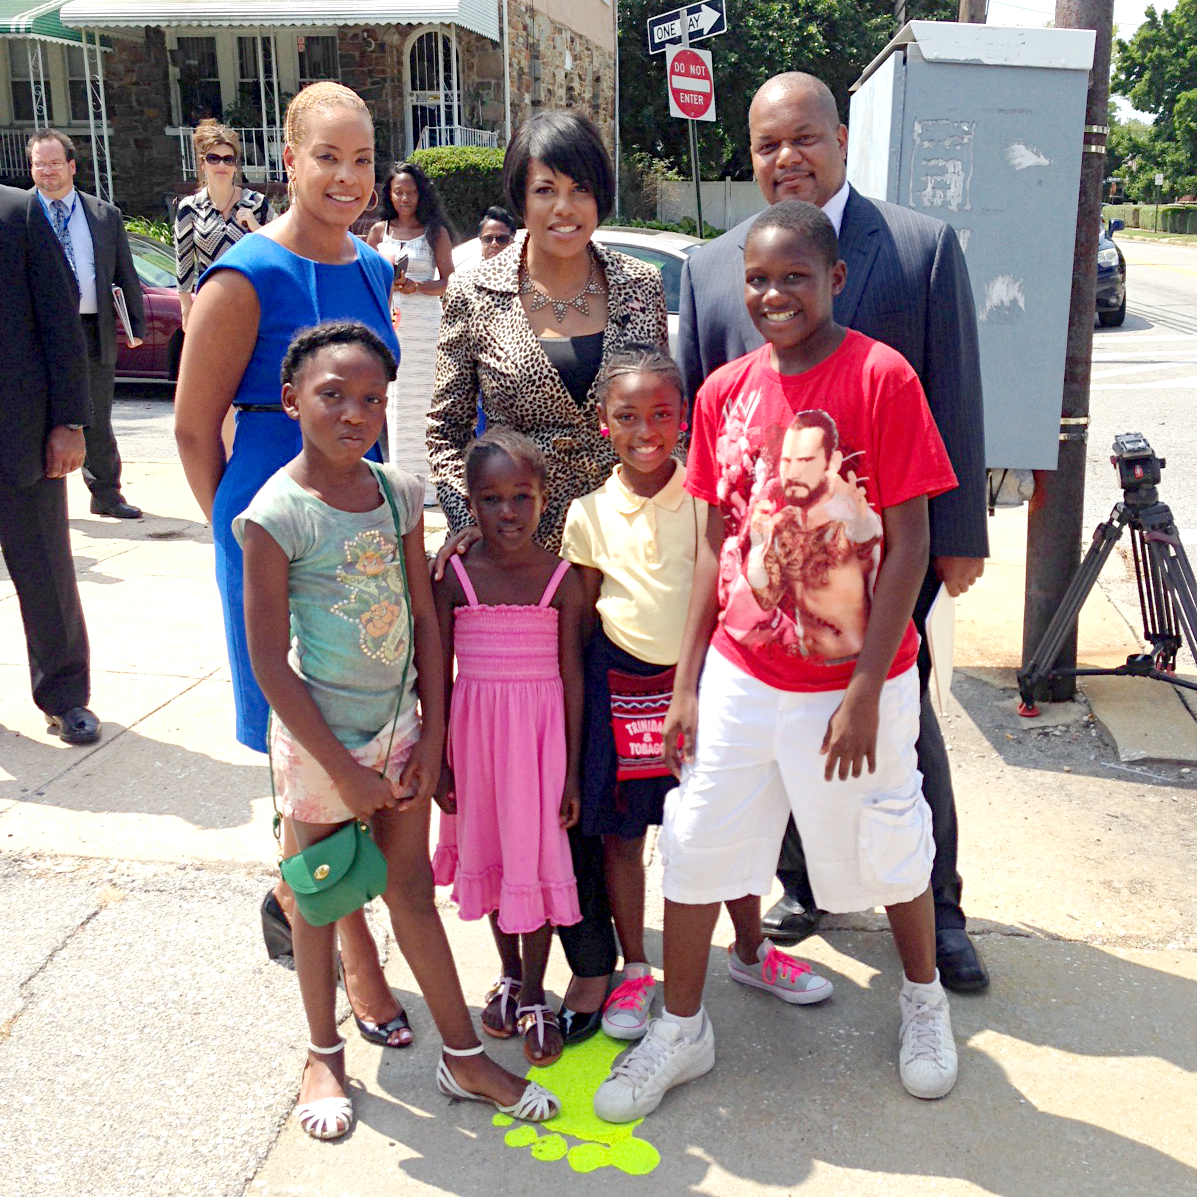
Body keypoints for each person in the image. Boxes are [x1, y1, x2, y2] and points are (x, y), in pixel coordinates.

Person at [595, 201, 960, 1123]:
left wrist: (870, 686)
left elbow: (910, 541)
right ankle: (682, 1028)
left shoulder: (882, 377)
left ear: (834, 279)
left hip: (853, 683)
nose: (772, 294)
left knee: (889, 841)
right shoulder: (723, 392)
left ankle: (922, 1000)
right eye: (757, 278)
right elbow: (714, 545)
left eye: (794, 276)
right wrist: (685, 684)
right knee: (697, 842)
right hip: (740, 676)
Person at [677, 71, 990, 994]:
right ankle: (804, 881)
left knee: (897, 724)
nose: (787, 158)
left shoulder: (918, 248)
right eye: (768, 144)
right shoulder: (713, 268)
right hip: (767, 572)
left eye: (803, 138)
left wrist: (960, 531)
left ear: (841, 139)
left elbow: (954, 394)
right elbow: (710, 438)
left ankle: (937, 910)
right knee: (772, 733)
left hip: (891, 544)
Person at [237, 321, 560, 1140]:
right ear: (291, 400)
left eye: (372, 399)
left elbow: (423, 615)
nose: (355, 412)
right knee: (316, 900)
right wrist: (342, 774)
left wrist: (436, 731)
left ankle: (460, 1054)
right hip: (320, 748)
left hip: (403, 732)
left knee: (411, 891)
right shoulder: (275, 515)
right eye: (332, 395)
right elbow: (270, 663)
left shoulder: (396, 494)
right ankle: (322, 1050)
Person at [174, 81, 409, 1050]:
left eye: (362, 160)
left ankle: (292, 890)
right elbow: (193, 432)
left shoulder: (376, 271)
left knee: (351, 733)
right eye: (328, 159)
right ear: (289, 160)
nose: (347, 178)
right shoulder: (243, 277)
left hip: (359, 533)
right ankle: (355, 952)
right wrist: (251, 541)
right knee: (304, 750)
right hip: (275, 526)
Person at [427, 109, 668, 1043]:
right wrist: (470, 535)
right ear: (518, 196)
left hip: (620, 565)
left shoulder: (640, 287)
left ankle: (615, 960)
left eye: (576, 186)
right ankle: (569, 966)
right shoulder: (477, 291)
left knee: (606, 774)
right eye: (541, 188)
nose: (562, 206)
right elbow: (446, 425)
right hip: (518, 576)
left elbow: (655, 416)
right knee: (532, 770)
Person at [430, 428, 586, 1066]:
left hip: (543, 749)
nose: (507, 512)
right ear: (470, 502)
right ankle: (509, 975)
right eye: (491, 499)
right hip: (477, 746)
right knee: (494, 857)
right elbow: (436, 676)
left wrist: (572, 773)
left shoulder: (563, 581)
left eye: (521, 496)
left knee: (537, 862)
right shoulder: (455, 578)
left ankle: (534, 995)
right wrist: (439, 759)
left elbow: (573, 679)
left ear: (543, 500)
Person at [0, 184, 98, 745]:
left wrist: (70, 422)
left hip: (22, 438)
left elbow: (62, 326)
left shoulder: (19, 212)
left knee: (45, 573)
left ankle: (65, 698)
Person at [28, 129, 146, 520]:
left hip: (91, 328)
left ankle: (107, 494)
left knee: (95, 414)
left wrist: (135, 328)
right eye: (39, 164)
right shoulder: (17, 213)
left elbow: (124, 274)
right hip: (35, 334)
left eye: (54, 163)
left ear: (72, 166)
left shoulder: (103, 215)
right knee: (35, 416)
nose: (47, 171)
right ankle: (37, 501)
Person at [366, 161, 454, 483]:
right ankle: (402, 479)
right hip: (392, 323)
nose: (404, 198)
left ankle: (430, 483)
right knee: (396, 402)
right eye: (398, 192)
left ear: (421, 194)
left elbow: (450, 281)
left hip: (425, 324)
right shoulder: (379, 232)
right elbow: (367, 275)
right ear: (389, 194)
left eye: (411, 192)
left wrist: (418, 287)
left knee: (425, 400)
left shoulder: (435, 232)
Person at [174, 120, 274, 332]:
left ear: (235, 166)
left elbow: (281, 247)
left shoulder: (256, 203)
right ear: (203, 164)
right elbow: (183, 263)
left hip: (254, 301)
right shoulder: (189, 208)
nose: (221, 165)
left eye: (228, 159)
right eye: (214, 159)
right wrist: (186, 309)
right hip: (211, 303)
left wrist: (255, 226)